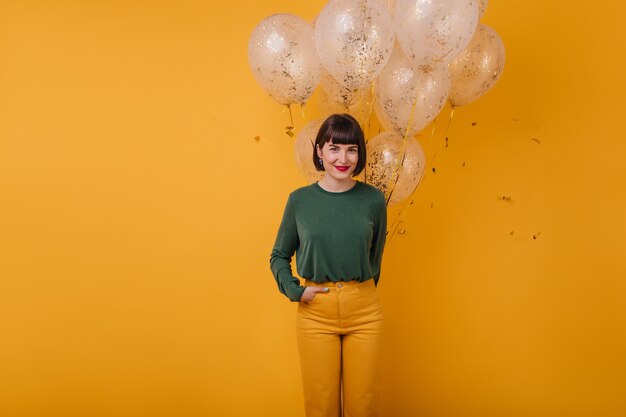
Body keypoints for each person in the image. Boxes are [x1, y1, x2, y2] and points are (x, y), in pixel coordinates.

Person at [270, 113, 387, 417]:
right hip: (315, 312)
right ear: (319, 151)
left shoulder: (373, 200)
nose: (343, 158)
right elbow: (279, 256)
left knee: (364, 403)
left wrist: (360, 290)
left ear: (359, 154)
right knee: (320, 406)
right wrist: (296, 291)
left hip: (364, 309)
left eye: (351, 149)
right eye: (334, 148)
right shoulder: (300, 201)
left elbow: (375, 257)